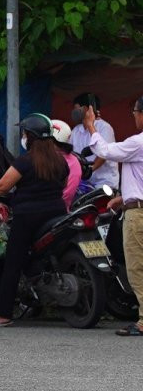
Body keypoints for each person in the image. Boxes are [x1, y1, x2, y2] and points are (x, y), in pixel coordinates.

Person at [0, 115, 70, 327]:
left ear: (32, 137)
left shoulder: (25, 162)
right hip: (57, 212)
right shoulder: (60, 161)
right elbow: (62, 184)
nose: (23, 138)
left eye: (25, 134)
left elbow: (2, 186)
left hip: (28, 217)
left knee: (12, 263)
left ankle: (4, 314)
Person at [91, 97, 143, 337]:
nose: (133, 116)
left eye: (134, 112)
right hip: (133, 204)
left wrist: (91, 126)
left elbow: (105, 151)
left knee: (137, 268)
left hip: (138, 215)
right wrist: (124, 197)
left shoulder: (138, 142)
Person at [69, 94, 118, 193]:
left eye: (76, 109)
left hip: (104, 184)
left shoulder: (104, 127)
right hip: (83, 185)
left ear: (86, 108)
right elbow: (71, 155)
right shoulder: (76, 131)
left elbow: (104, 154)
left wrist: (89, 170)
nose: (74, 112)